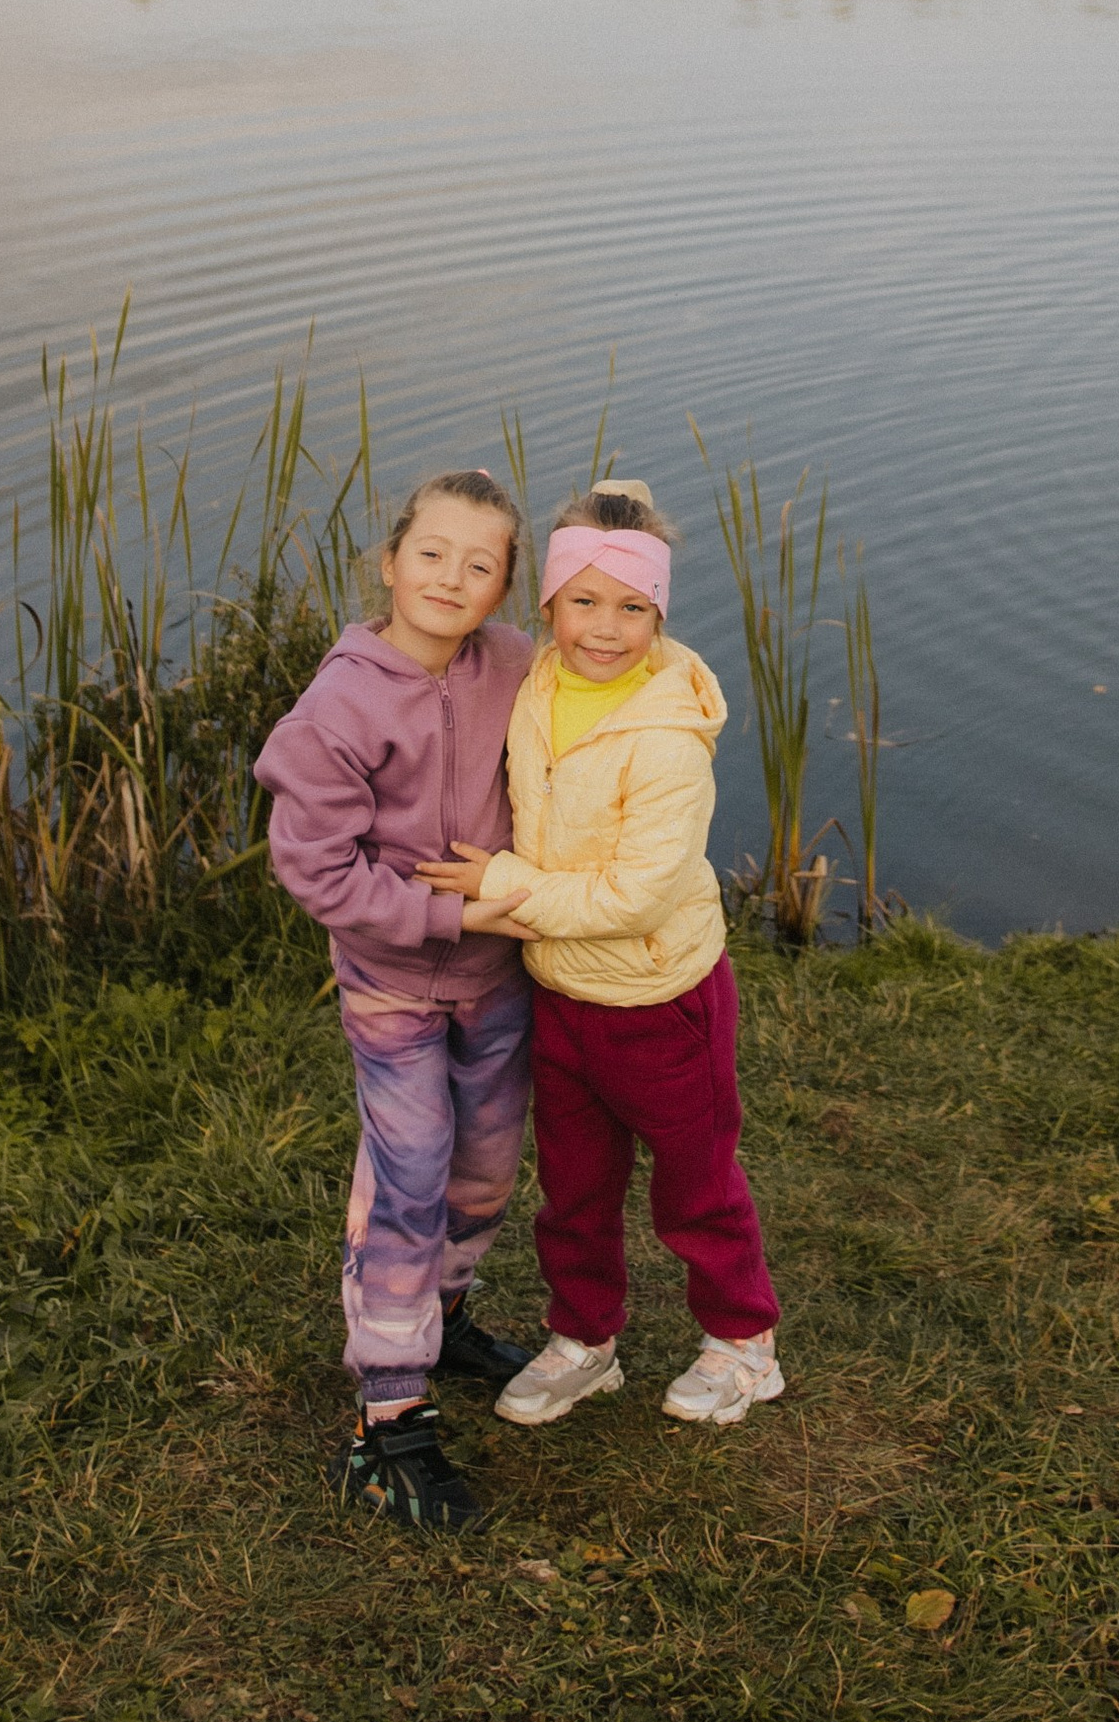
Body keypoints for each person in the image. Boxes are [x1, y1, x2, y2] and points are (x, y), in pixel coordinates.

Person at [417, 481, 782, 1431]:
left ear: (660, 614)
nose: (606, 629)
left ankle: (744, 1345)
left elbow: (635, 896)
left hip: (661, 995)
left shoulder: (665, 742)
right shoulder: (536, 679)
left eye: (633, 608)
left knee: (695, 1184)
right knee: (573, 1190)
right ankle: (586, 1341)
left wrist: (503, 888)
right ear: (547, 606)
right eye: (583, 601)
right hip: (562, 994)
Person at [255, 467, 537, 1532]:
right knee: (407, 1186)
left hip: (499, 985)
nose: (450, 577)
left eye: (480, 564)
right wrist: (461, 916)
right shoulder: (342, 702)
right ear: (388, 560)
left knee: (484, 1173)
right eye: (431, 553)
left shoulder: (515, 666)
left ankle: (443, 1321)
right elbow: (317, 872)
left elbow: (609, 688)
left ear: (506, 587)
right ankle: (387, 1423)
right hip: (395, 991)